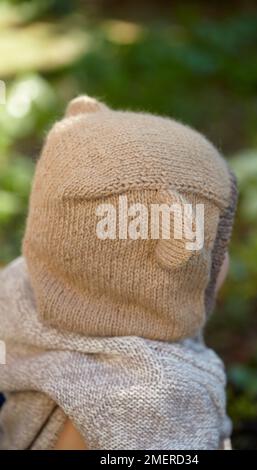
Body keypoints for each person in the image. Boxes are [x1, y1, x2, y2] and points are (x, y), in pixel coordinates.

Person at [0, 96, 237, 450]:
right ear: (173, 254)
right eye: (216, 242)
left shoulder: (22, 289)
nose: (226, 256)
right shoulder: (142, 406)